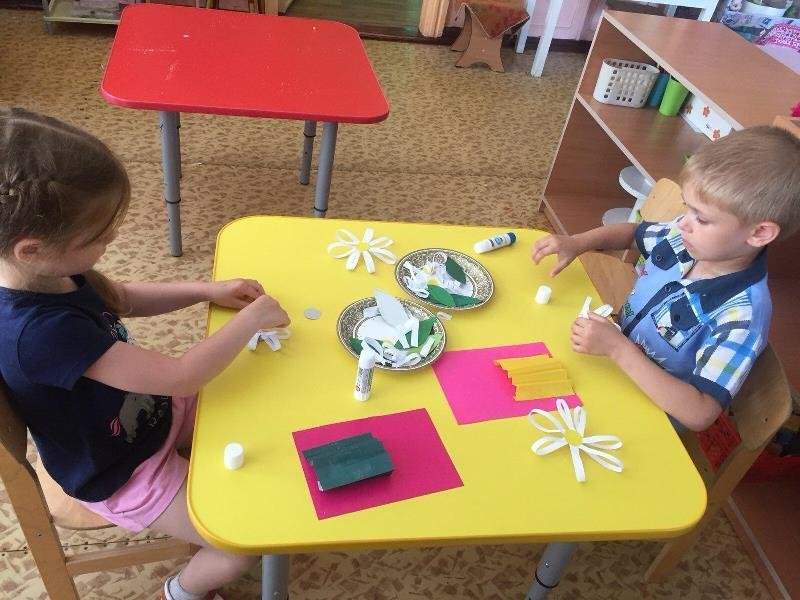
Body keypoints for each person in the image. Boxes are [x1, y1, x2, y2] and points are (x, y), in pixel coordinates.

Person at [0, 107, 290, 600]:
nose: (112, 239)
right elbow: (181, 377)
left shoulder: (50, 272)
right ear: (31, 249)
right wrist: (251, 320)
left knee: (259, 405)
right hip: (122, 470)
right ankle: (181, 592)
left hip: (152, 416)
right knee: (242, 544)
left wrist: (206, 290)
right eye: (98, 236)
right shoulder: (38, 333)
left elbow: (123, 298)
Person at [532, 126, 800, 432]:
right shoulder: (687, 236)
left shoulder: (741, 317)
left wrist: (618, 349)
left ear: (759, 233)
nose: (683, 223)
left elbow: (700, 413)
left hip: (649, 418)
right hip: (613, 362)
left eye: (701, 218)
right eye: (687, 207)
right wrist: (577, 242)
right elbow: (634, 234)